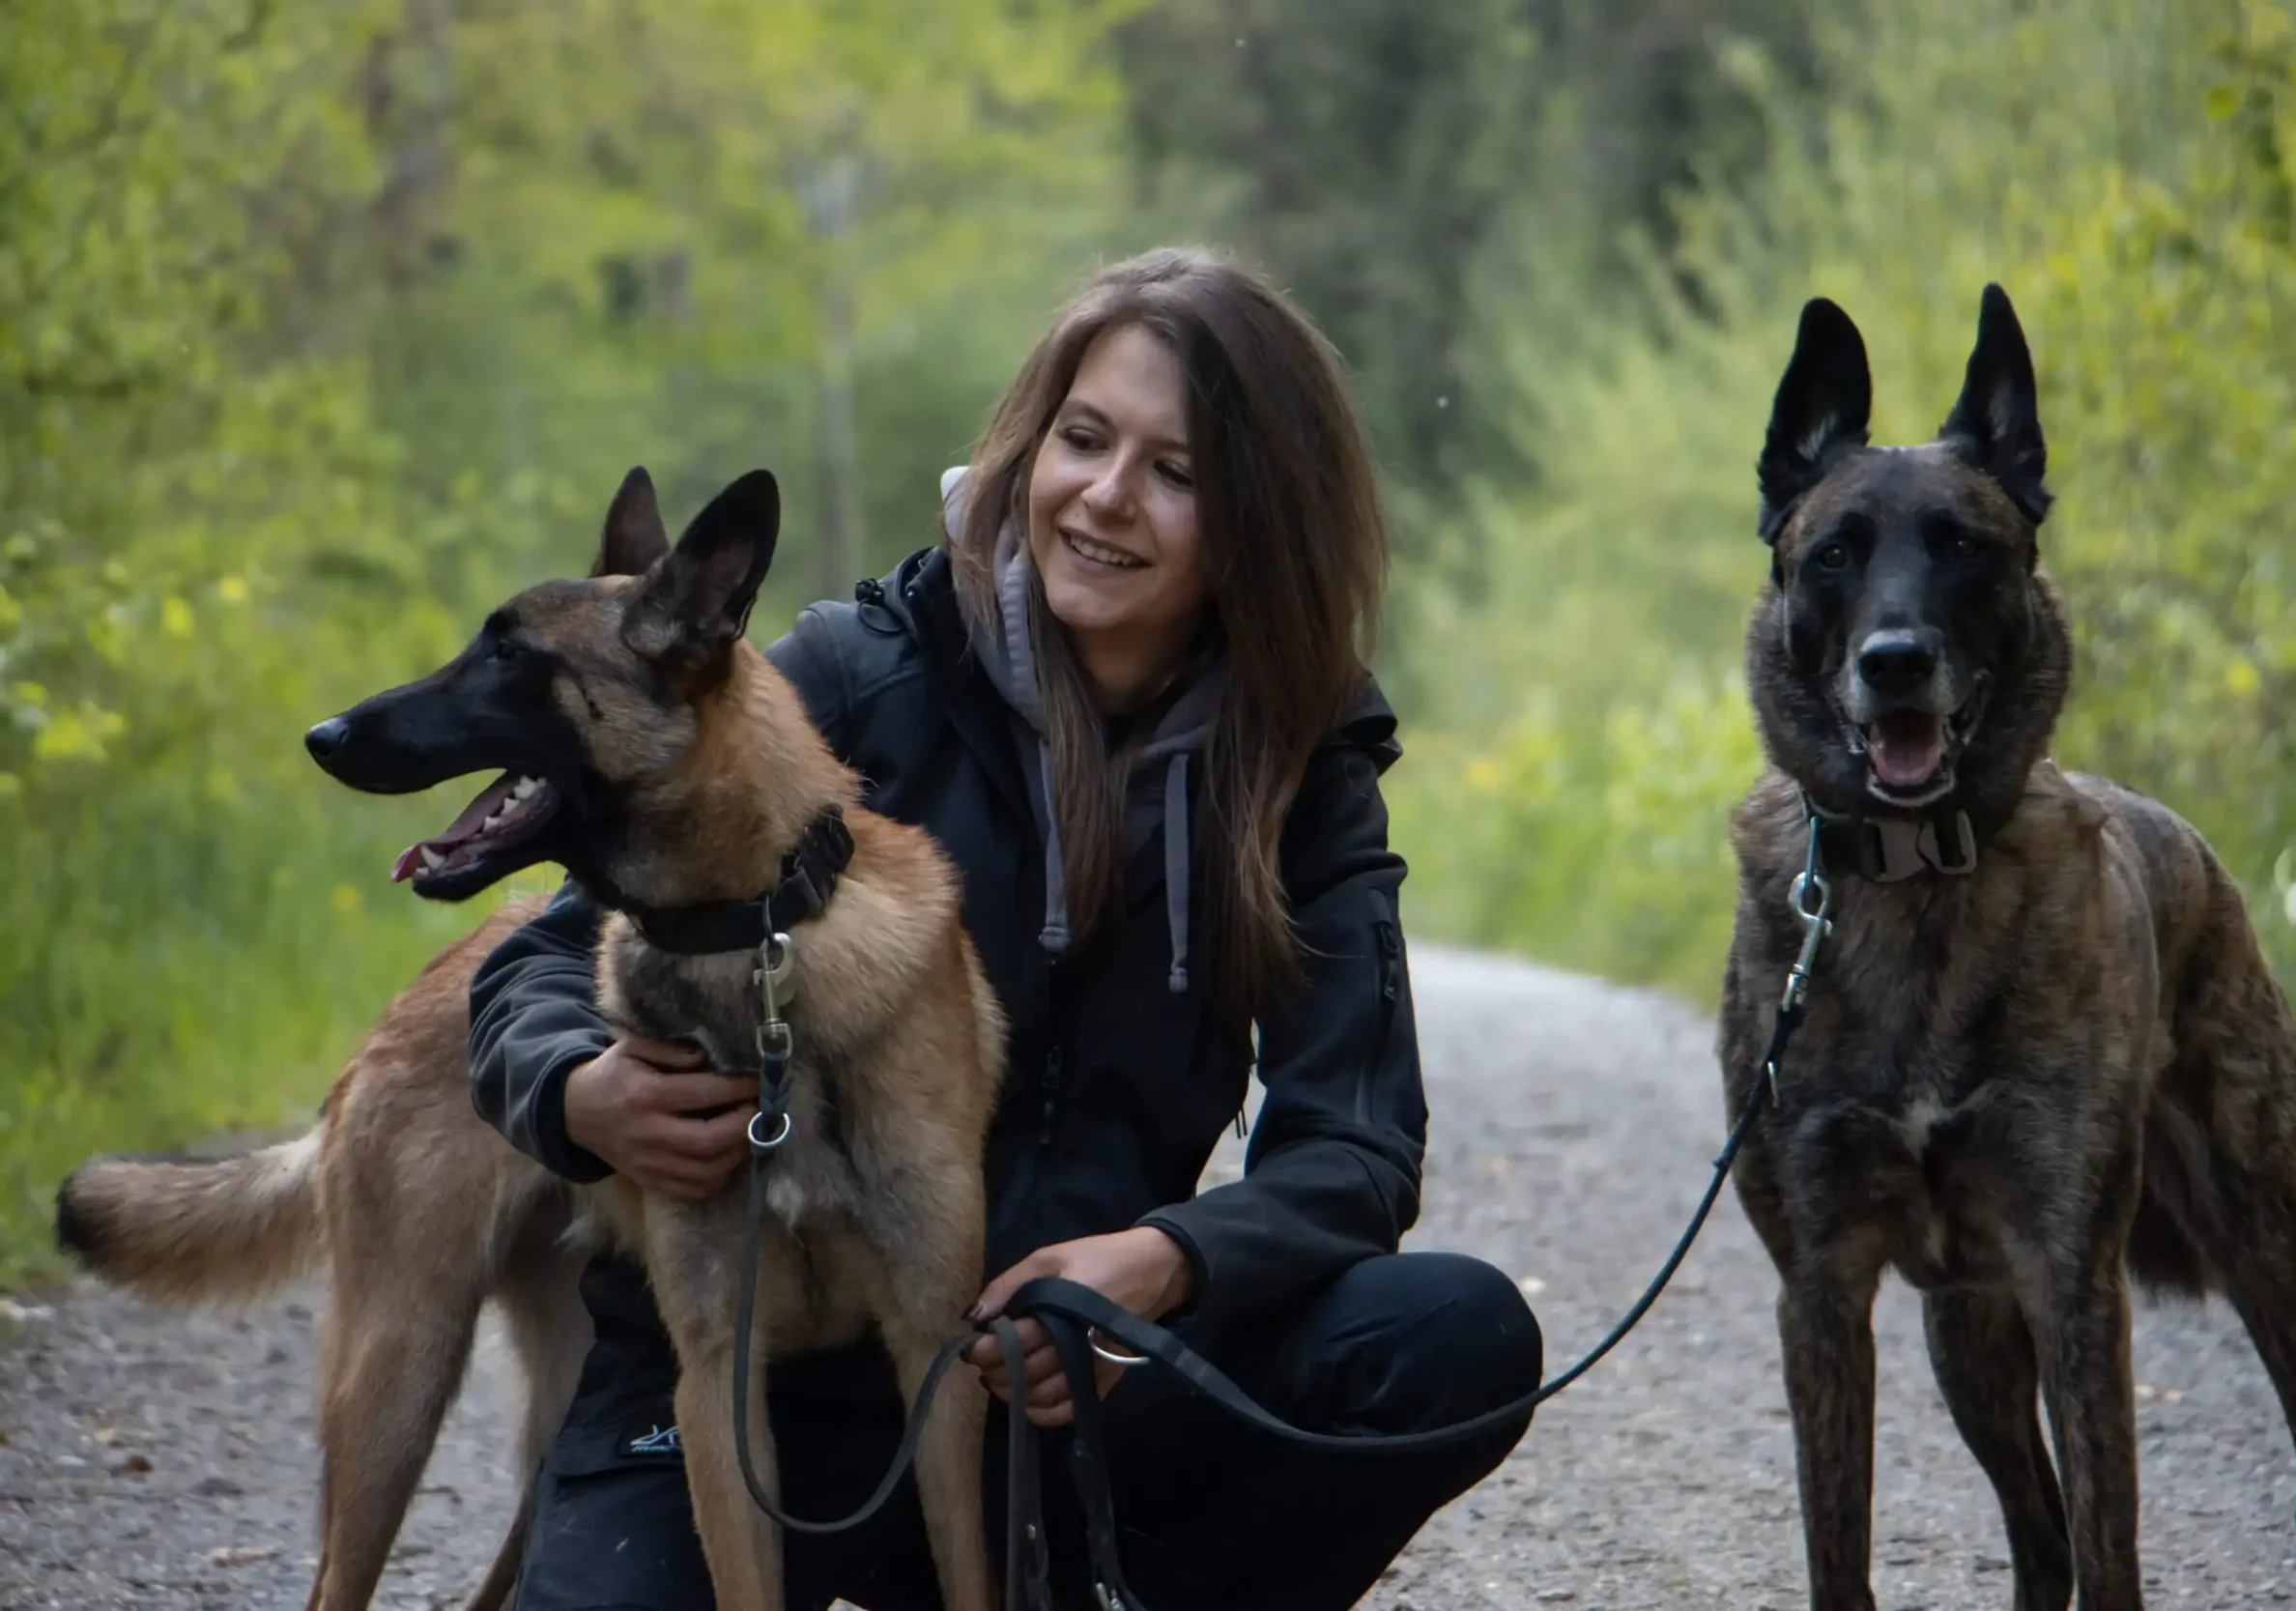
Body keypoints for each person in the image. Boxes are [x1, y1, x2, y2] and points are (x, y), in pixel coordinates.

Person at [465, 244, 1544, 1611]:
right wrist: (579, 1091)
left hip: (1054, 1391)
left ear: (1260, 519)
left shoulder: (1300, 761)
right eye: (1084, 439)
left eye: (1176, 470)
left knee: (1451, 1334)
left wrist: (1166, 1264)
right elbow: (535, 961)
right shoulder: (852, 678)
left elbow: (1359, 1150)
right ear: (1031, 444)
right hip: (751, 1397)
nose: (1106, 495)